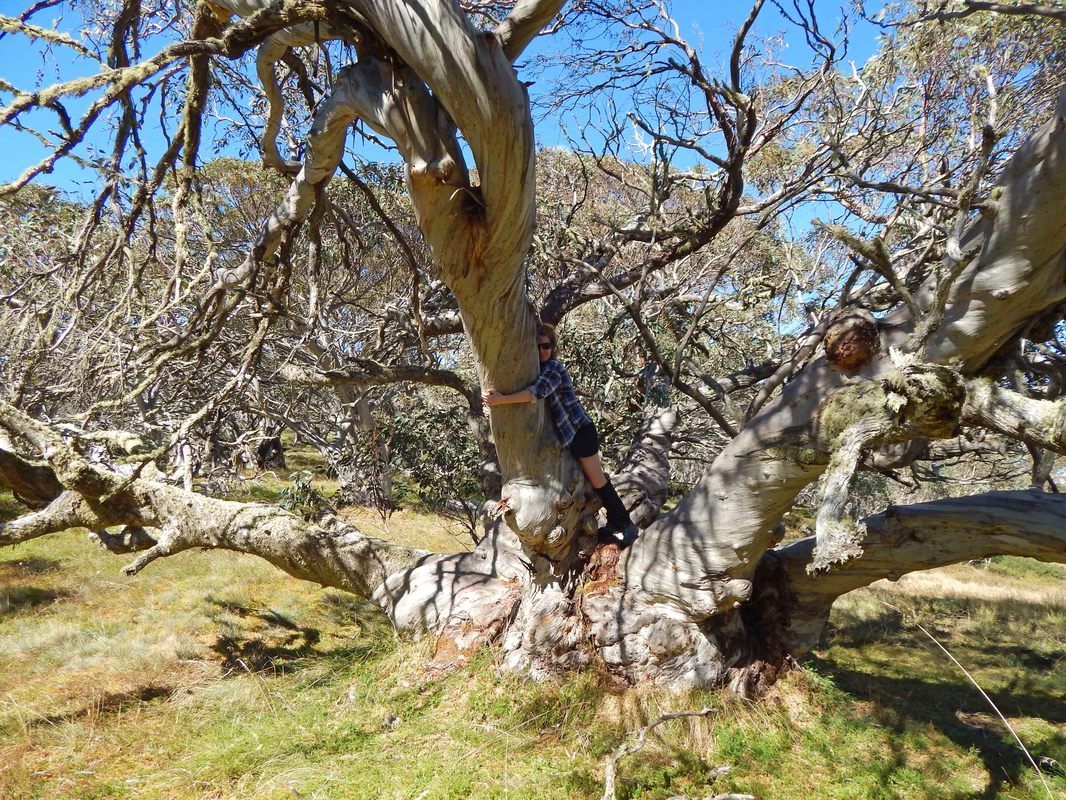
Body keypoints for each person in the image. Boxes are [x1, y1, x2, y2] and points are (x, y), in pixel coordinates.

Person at [482, 323, 639, 547]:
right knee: (593, 481)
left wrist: (501, 400)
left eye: (546, 346)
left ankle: (626, 524)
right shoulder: (537, 371)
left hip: (581, 432)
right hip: (570, 438)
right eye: (536, 347)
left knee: (598, 480)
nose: (541, 351)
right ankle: (615, 522)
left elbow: (537, 393)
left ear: (553, 347)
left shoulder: (554, 368)